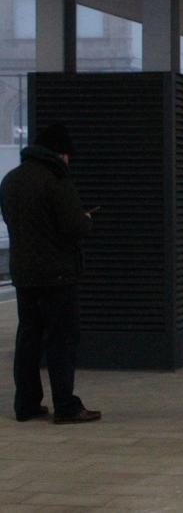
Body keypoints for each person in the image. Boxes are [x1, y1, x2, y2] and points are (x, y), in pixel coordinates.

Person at [0, 124, 101, 424]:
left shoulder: (11, 180)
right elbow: (74, 227)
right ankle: (65, 406)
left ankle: (26, 404)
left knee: (28, 338)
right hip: (57, 274)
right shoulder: (56, 180)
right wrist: (85, 218)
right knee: (61, 340)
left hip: (24, 273)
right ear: (60, 153)